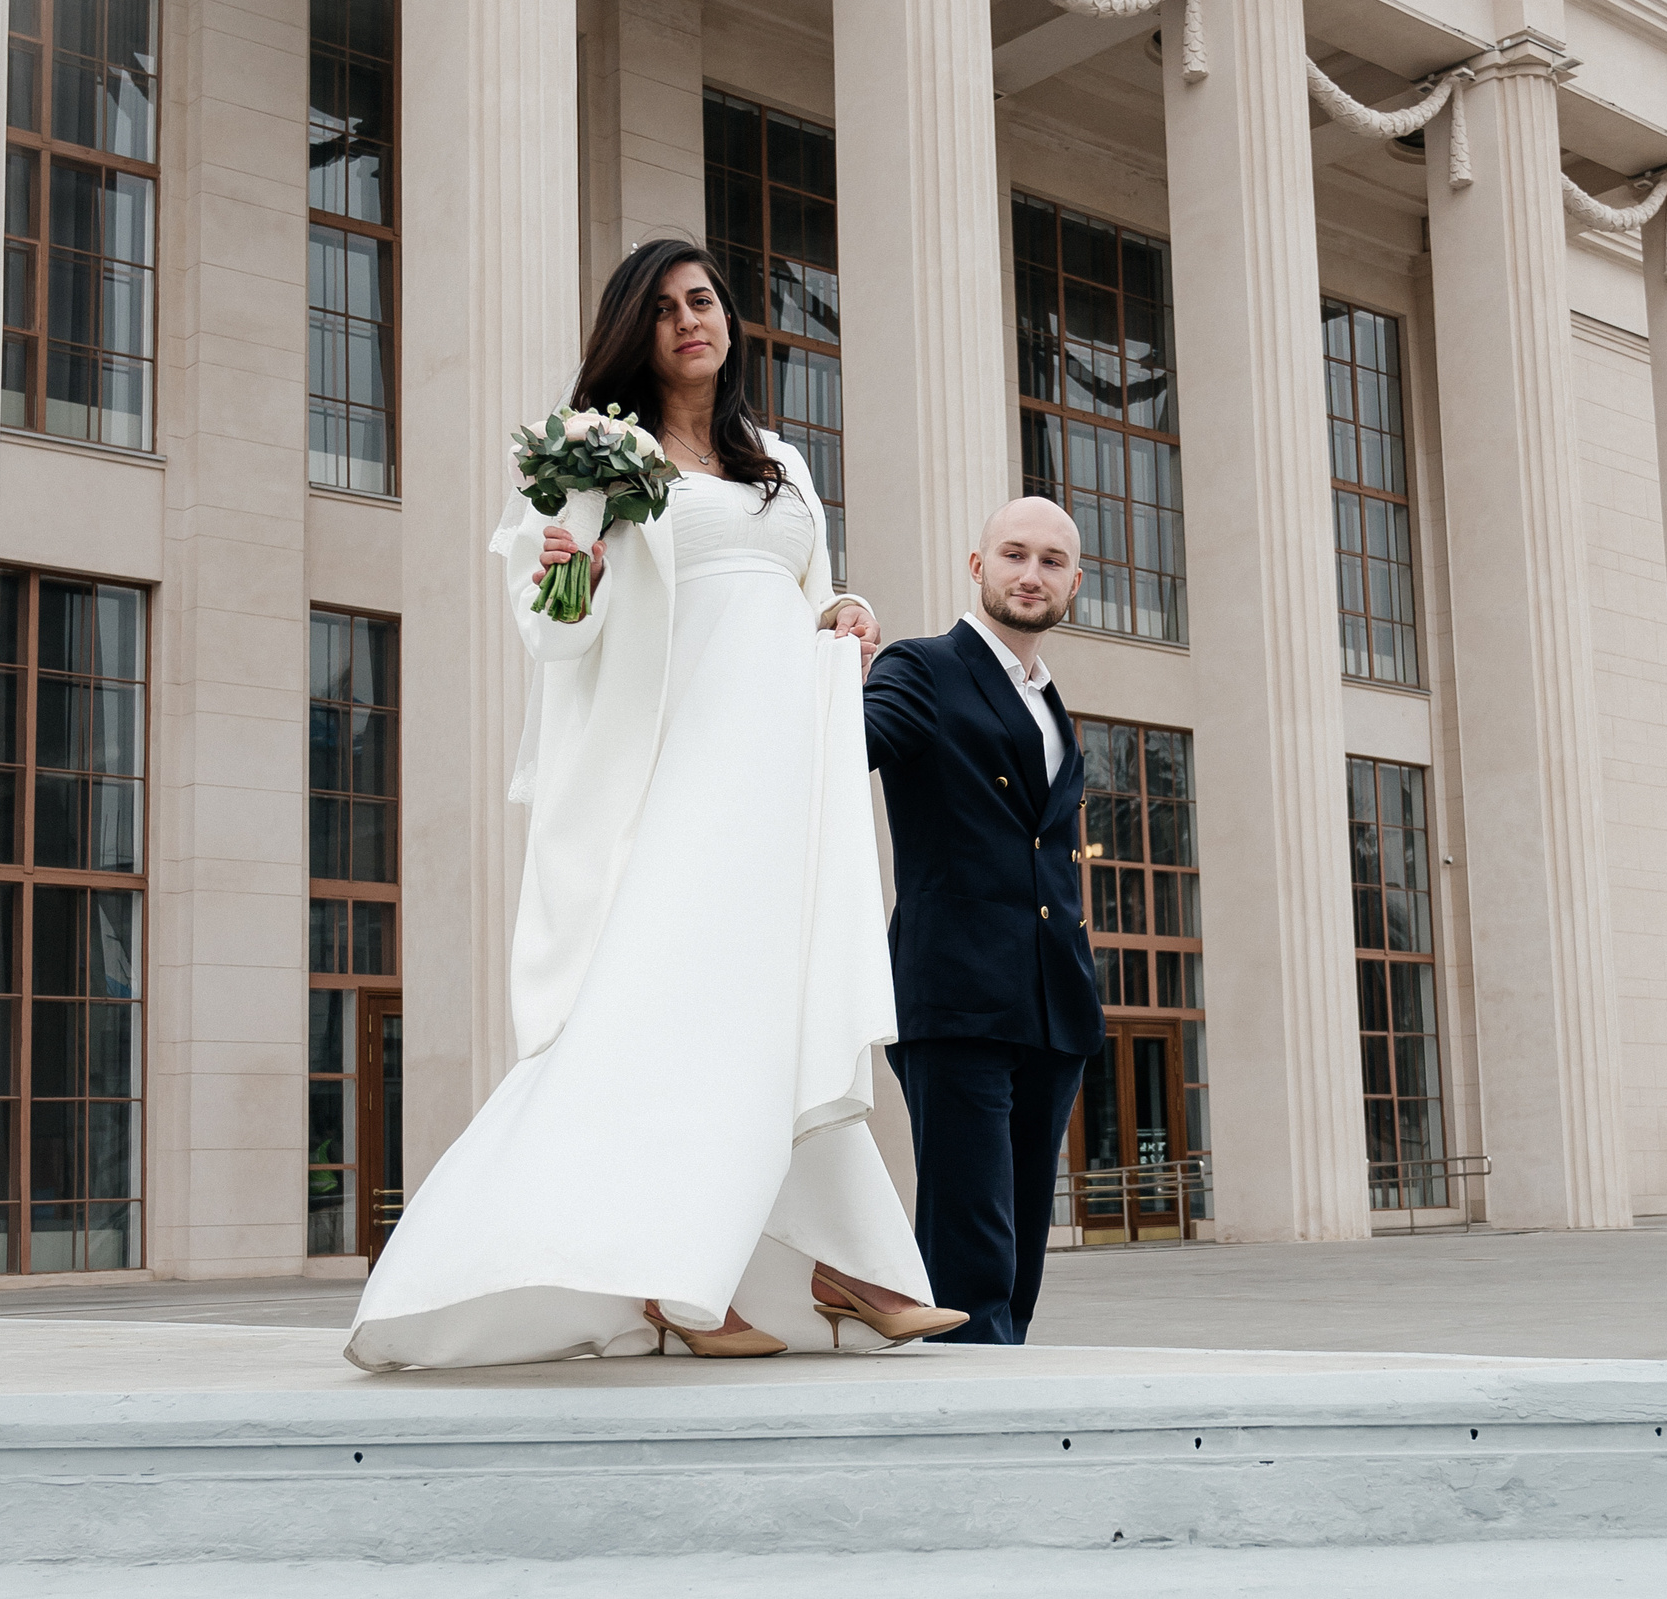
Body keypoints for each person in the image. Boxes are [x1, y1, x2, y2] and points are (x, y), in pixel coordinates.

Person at [345, 240, 965, 1369]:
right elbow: (559, 630)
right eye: (669, 305)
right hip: (676, 773)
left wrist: (854, 606)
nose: (693, 318)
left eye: (707, 299)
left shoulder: (777, 457)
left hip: (773, 773)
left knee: (771, 1008)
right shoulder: (598, 459)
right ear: (636, 328)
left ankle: (830, 1262)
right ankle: (690, 1272)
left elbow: (811, 591)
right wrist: (566, 553)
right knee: (679, 1013)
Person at [861, 498, 1104, 1344]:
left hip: (1050, 1004)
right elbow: (850, 739)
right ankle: (966, 1414)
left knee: (1023, 1246)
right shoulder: (923, 669)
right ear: (978, 566)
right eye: (1013, 554)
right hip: (957, 993)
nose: (1030, 574)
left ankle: (1009, 1391)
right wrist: (821, 661)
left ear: (1074, 582)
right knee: (972, 1240)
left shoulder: (1051, 703)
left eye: (1049, 561)